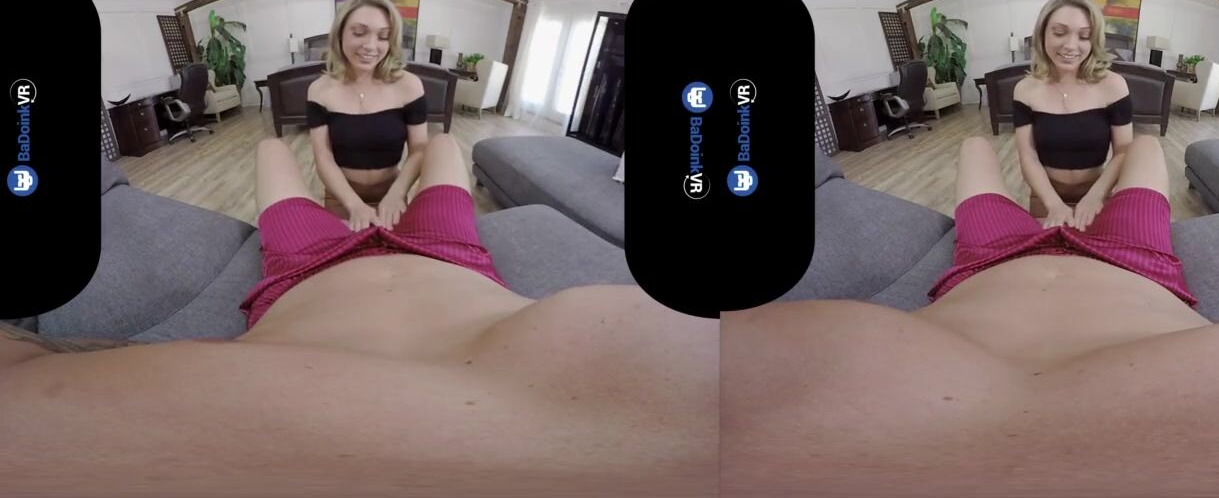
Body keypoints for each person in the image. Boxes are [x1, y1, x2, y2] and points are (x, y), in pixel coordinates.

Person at [0, 134, 719, 498]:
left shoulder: (78, 430)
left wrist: (377, 200)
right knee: (444, 145)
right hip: (451, 257)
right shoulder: (698, 403)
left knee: (269, 146)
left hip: (306, 269)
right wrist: (369, 200)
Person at [720, 135, 1219, 497]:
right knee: (1145, 147)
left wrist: (1078, 200)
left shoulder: (742, 410)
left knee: (972, 145)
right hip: (1135, 263)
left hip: (987, 262)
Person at [308, 0, 429, 231]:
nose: (371, 46)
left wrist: (397, 194)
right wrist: (353, 205)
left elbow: (419, 150)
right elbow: (323, 157)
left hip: (392, 195)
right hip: (342, 197)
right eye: (359, 32)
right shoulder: (319, 90)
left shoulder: (409, 85)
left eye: (383, 36)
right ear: (340, 33)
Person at [1013, 0, 1134, 230]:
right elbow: (1028, 156)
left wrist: (1096, 196)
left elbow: (1123, 151)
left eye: (1084, 36)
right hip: (1045, 196)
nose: (1070, 45)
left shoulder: (1114, 85)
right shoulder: (1024, 90)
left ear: (1094, 40)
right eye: (1059, 33)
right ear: (1043, 33)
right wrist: (1053, 204)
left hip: (1097, 194)